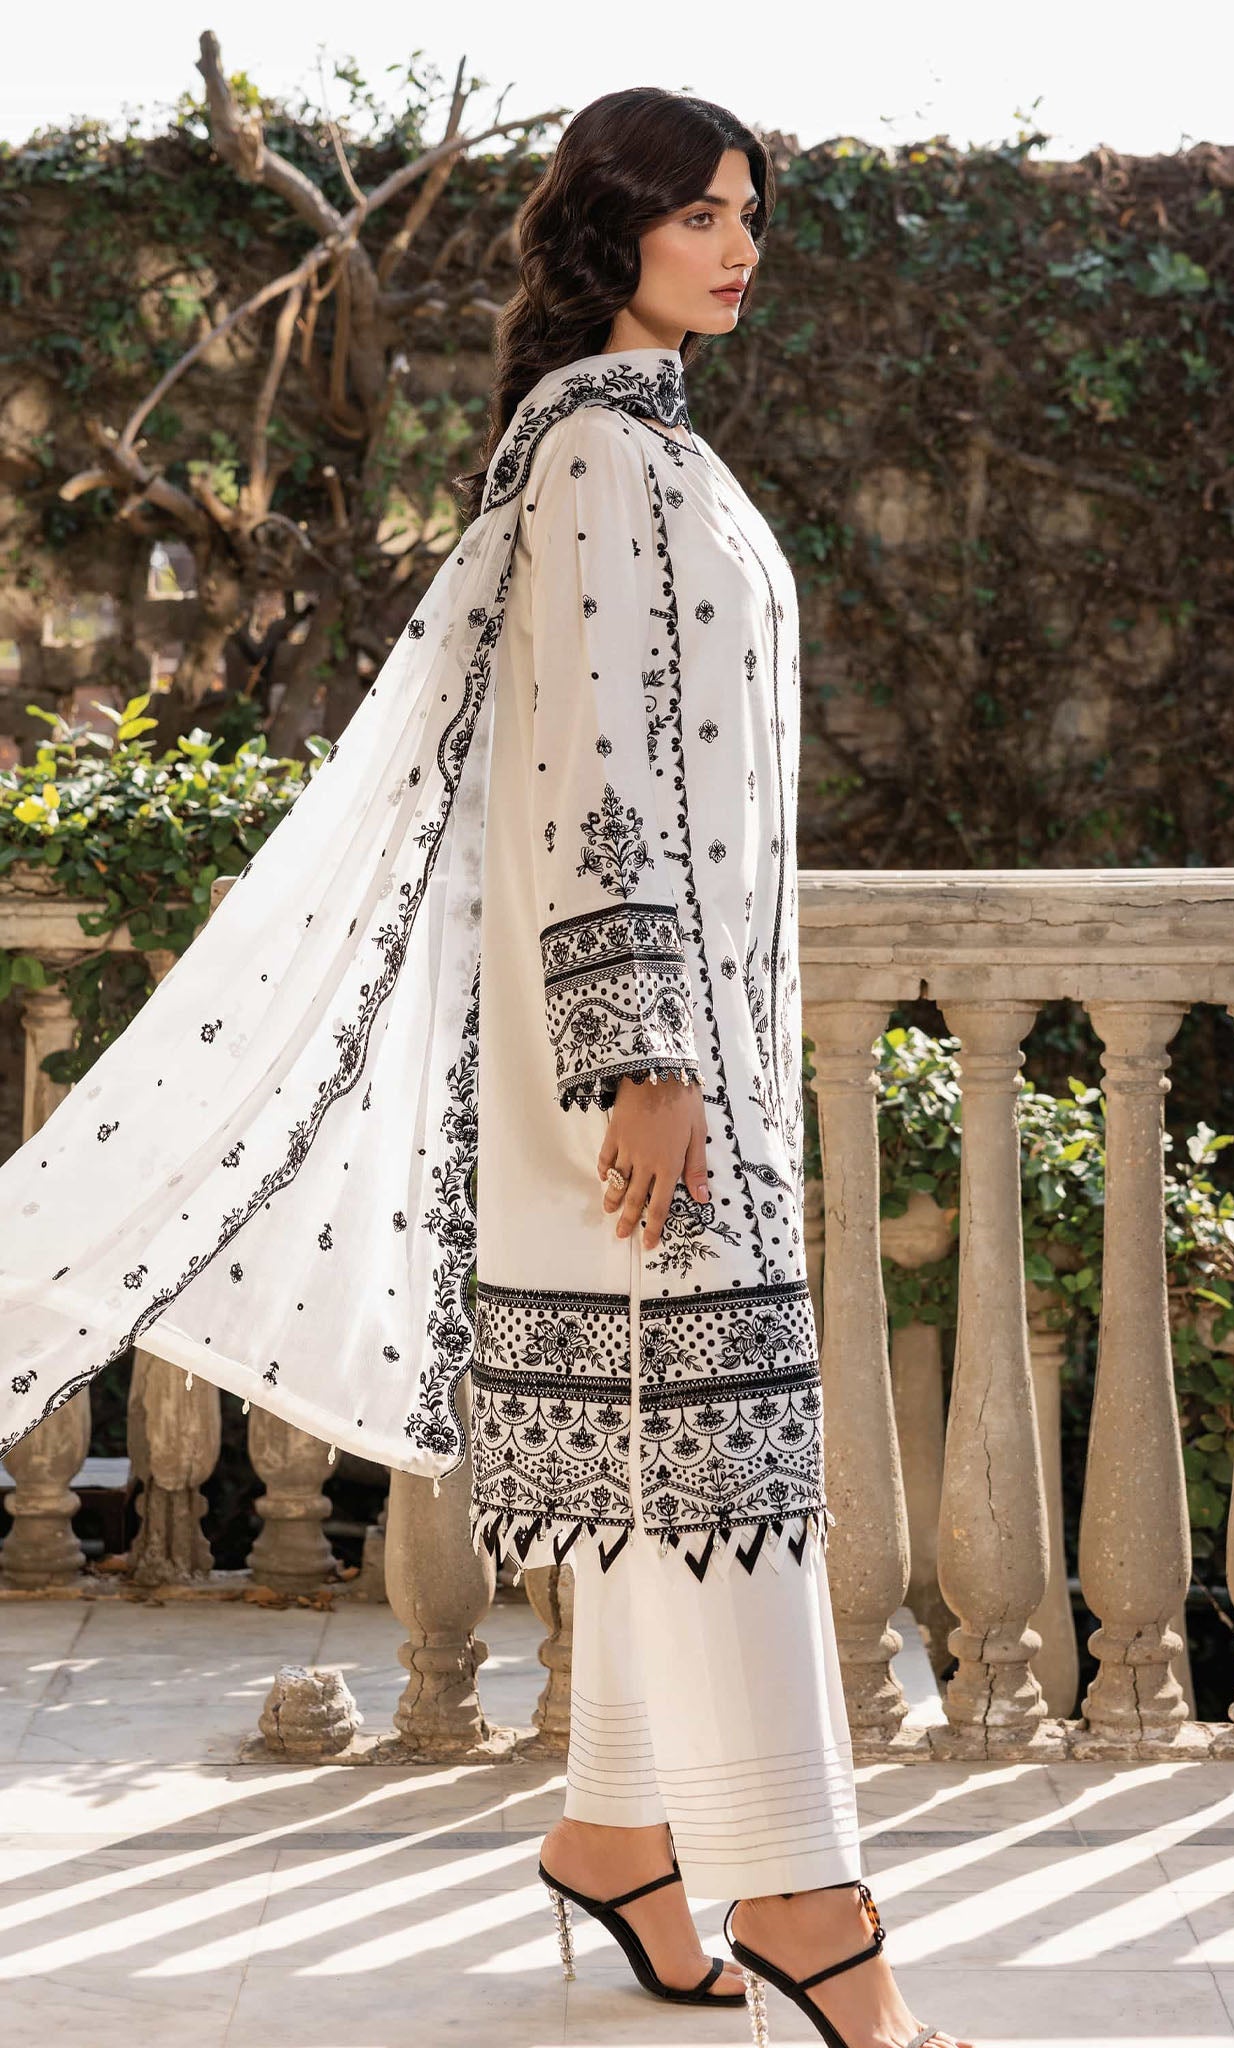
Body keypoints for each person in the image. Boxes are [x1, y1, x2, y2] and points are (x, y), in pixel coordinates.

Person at [0, 81, 967, 2048]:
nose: (738, 246)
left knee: (662, 1460)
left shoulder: (625, 442)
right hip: (642, 1069)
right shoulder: (603, 456)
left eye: (748, 213)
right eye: (698, 213)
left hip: (668, 1056)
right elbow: (596, 769)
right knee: (722, 1473)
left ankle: (617, 1833)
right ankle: (806, 1902)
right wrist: (647, 1057)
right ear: (612, 226)